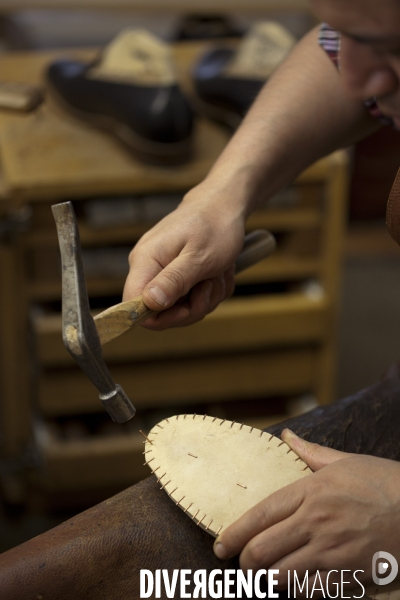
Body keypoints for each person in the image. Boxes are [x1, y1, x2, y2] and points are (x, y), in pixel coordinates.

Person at [122, 0, 400, 594]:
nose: (353, 78)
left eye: (393, 47)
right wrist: (224, 192)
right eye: (348, 35)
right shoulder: (360, 54)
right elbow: (335, 57)